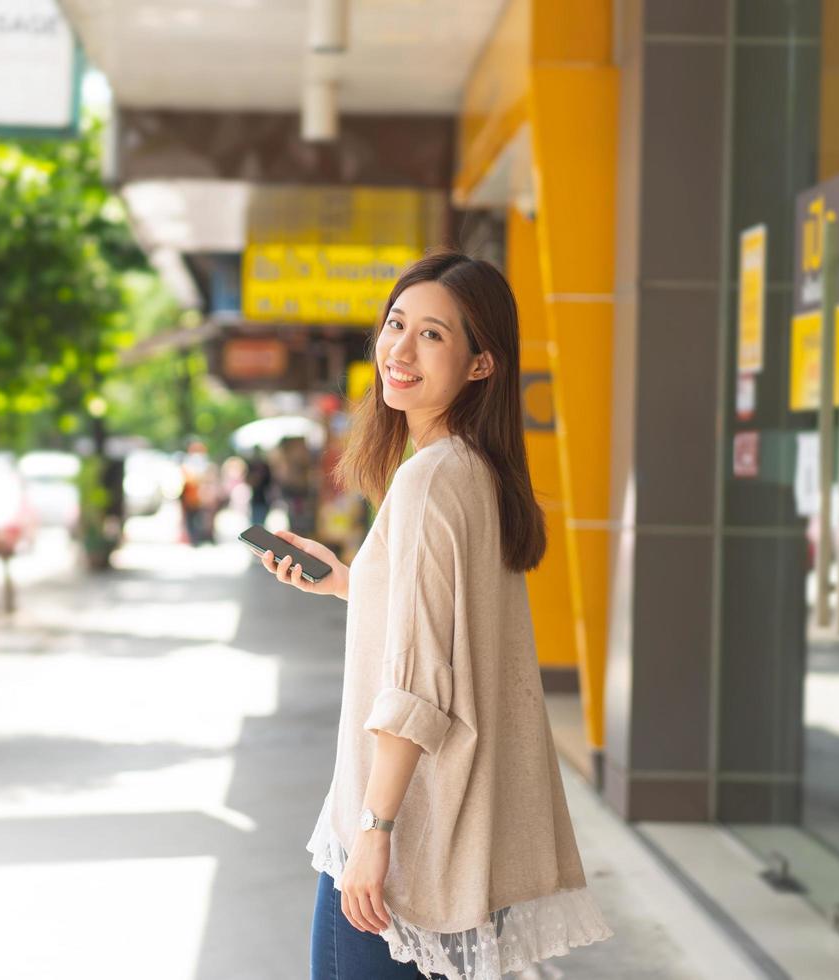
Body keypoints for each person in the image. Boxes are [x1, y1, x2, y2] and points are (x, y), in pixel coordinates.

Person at [257, 251, 613, 980]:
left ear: (481, 365)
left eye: (433, 335)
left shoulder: (427, 481)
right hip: (453, 837)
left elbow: (419, 684)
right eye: (396, 324)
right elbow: (445, 632)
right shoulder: (474, 470)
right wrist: (349, 585)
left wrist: (374, 830)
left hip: (408, 837)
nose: (400, 349)